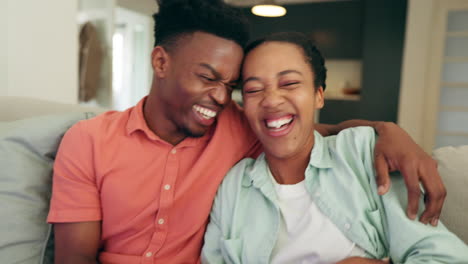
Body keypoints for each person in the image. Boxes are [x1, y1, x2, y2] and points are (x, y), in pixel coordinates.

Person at [48, 0, 446, 263]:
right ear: (160, 62)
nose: (221, 97)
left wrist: (387, 130)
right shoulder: (90, 141)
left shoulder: (239, 126)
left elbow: (312, 129)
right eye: (207, 77)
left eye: (232, 85)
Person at [201, 32, 468, 264]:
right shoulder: (234, 186)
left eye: (290, 83)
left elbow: (443, 256)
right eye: (254, 90)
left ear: (319, 95)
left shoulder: (362, 152)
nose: (271, 100)